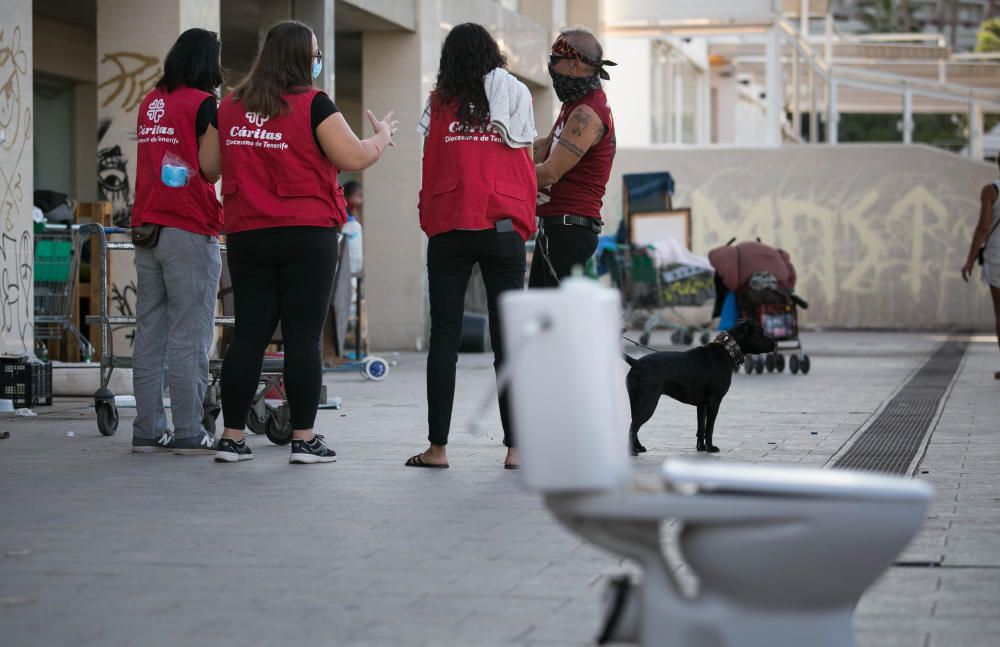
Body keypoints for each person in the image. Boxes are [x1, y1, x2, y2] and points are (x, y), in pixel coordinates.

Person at [209, 20, 397, 464]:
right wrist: (382, 138)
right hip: (306, 233)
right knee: (302, 338)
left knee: (249, 334)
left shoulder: (231, 105)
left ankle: (232, 438)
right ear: (300, 57)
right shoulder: (314, 104)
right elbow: (354, 156)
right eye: (315, 52)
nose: (318, 60)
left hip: (248, 234)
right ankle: (303, 439)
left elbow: (209, 166)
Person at [405, 23, 537, 469]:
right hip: (502, 228)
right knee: (509, 342)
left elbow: (429, 165)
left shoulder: (440, 105)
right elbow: (524, 162)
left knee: (444, 337)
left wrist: (430, 219)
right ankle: (517, 449)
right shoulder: (512, 95)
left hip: (450, 228)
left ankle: (437, 449)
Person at [130, 28, 224, 455]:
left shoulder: (150, 101)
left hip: (147, 227)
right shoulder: (204, 104)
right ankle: (189, 429)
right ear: (208, 62)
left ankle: (148, 430)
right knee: (189, 333)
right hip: (187, 226)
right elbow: (209, 170)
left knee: (151, 333)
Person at [530, 28, 616, 287]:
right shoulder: (575, 105)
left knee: (562, 321)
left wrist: (497, 179)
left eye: (555, 60)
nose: (551, 67)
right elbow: (544, 147)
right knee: (545, 318)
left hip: (569, 231)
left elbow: (550, 172)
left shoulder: (587, 114)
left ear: (576, 65)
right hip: (557, 228)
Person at [961, 157, 1000, 379]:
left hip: (997, 256)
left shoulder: (991, 191)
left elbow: (983, 227)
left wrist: (970, 259)